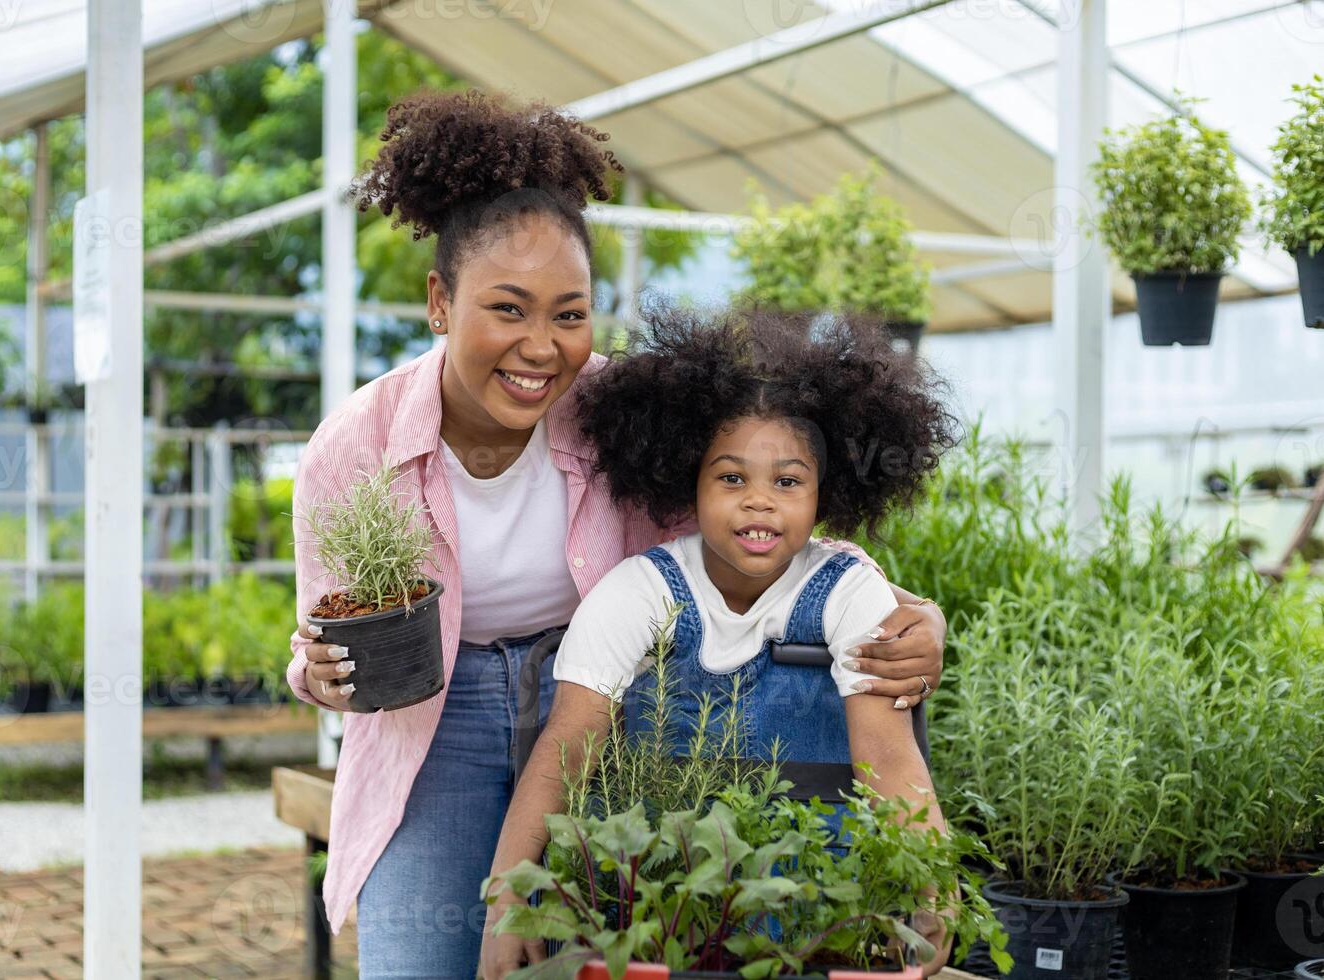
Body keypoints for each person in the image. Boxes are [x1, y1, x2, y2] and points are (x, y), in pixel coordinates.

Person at [285, 88, 950, 979]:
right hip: (434, 721)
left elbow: (752, 522)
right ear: (440, 302)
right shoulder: (356, 447)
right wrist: (314, 670)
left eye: (569, 313)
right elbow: (326, 631)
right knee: (424, 959)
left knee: (597, 951)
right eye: (507, 308)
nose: (540, 346)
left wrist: (900, 607)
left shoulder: (621, 412)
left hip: (607, 694)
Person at [479, 303, 960, 979]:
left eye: (787, 482)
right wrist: (509, 903)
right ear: (690, 484)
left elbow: (887, 755)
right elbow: (564, 752)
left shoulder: (850, 590)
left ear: (823, 497)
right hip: (652, 929)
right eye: (731, 478)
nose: (759, 501)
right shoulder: (638, 592)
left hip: (819, 922)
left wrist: (935, 888)